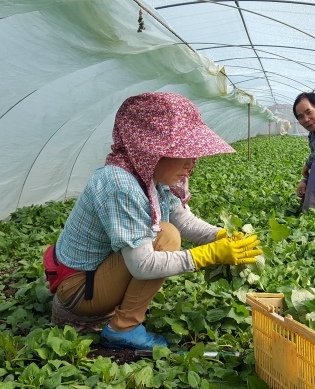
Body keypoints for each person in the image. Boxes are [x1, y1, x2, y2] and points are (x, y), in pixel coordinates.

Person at [43, 92, 263, 351]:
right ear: (151, 150)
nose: (192, 162)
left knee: (169, 230)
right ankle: (122, 329)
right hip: (79, 291)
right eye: (183, 152)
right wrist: (208, 255)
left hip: (96, 280)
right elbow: (143, 266)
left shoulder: (148, 175)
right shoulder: (120, 183)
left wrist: (220, 237)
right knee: (166, 236)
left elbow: (183, 218)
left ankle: (118, 318)